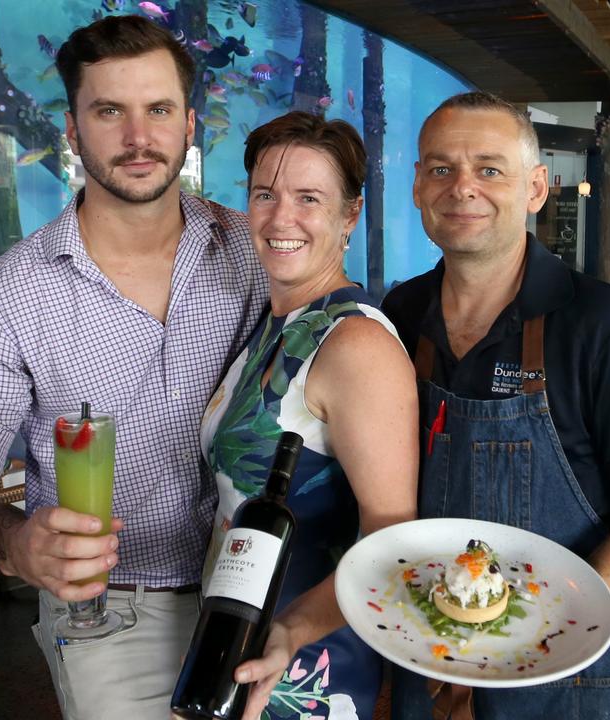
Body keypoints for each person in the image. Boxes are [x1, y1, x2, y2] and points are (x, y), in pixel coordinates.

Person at [0, 16, 268, 719]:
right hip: (111, 613)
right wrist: (17, 544)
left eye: (159, 110)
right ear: (73, 132)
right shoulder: (7, 298)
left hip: (262, 591)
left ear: (189, 124)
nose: (139, 138)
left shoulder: (253, 255)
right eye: (109, 112)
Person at [381, 91, 610, 719]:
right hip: (428, 656)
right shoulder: (399, 315)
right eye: (441, 168)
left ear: (534, 189)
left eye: (489, 168)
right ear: (417, 186)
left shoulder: (603, 325)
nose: (462, 187)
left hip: (561, 672)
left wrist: (517, 645)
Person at [195, 112, 418, 720]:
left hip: (305, 666)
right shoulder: (276, 324)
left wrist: (293, 630)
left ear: (351, 216)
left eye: (308, 198)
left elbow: (392, 535)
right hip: (237, 640)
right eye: (264, 195)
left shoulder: (354, 345)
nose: (280, 218)